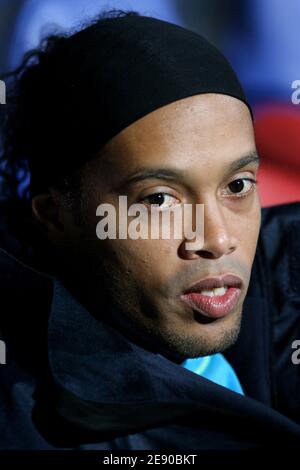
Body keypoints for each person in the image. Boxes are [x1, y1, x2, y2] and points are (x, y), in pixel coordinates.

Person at [0, 9, 300, 455]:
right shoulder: (28, 422)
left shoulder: (288, 276)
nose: (218, 240)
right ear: (56, 215)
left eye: (237, 186)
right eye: (159, 200)